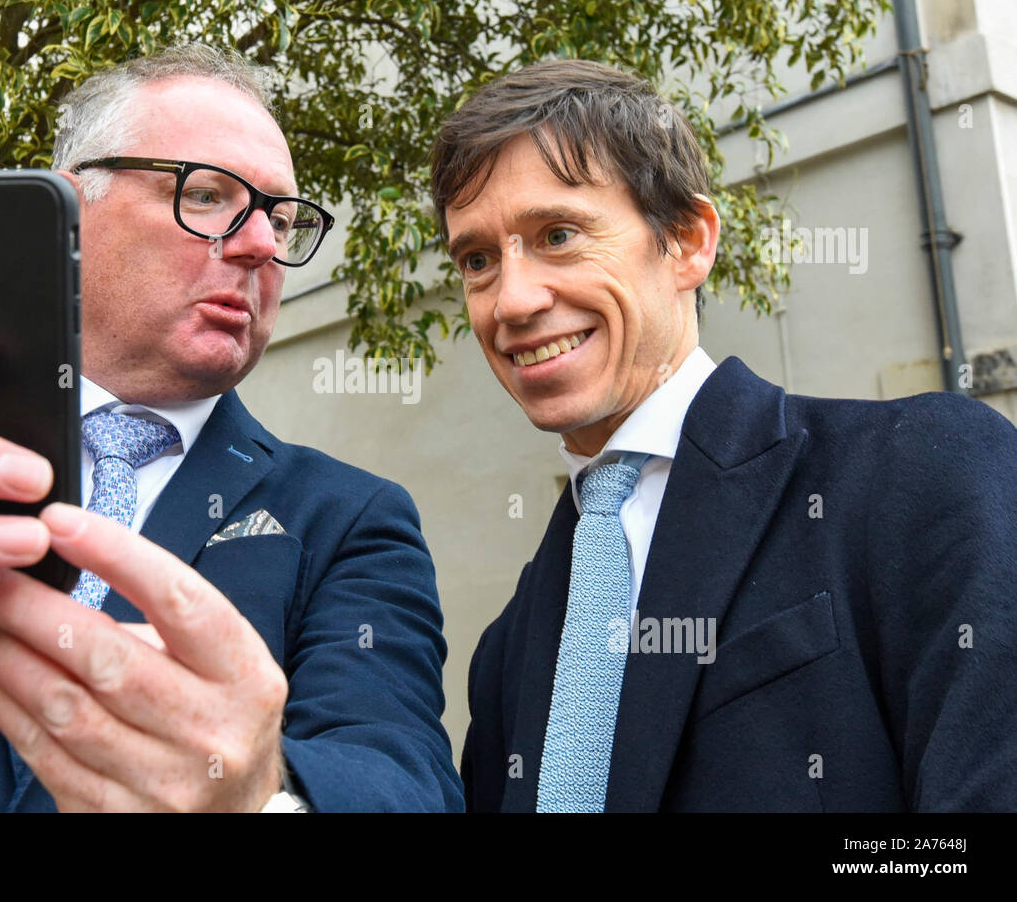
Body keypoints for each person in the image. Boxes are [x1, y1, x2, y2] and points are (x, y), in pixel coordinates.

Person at [0, 44, 463, 812]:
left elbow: (403, 783)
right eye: (208, 195)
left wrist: (259, 797)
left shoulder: (351, 520)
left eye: (280, 219)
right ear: (72, 211)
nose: (261, 246)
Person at [431, 58, 1017, 812]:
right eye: (477, 260)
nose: (511, 299)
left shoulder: (922, 467)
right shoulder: (508, 647)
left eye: (559, 233)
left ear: (687, 241)